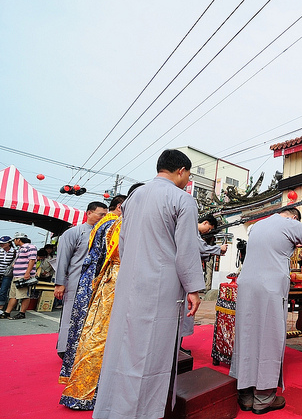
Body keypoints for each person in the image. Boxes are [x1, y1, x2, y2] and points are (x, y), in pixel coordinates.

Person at [93, 150, 205, 419]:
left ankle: (112, 408)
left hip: (130, 280)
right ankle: (144, 412)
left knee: (123, 346)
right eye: (188, 175)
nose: (187, 180)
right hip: (161, 285)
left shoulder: (134, 197)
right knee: (153, 351)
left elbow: (123, 241)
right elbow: (187, 249)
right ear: (181, 170)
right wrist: (193, 288)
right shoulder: (182, 200)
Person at [230, 207, 302, 415]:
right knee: (269, 336)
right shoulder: (291, 224)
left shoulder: (256, 226)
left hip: (246, 285)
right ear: (294, 217)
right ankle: (263, 397)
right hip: (269, 286)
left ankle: (245, 394)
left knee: (246, 335)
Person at [60, 185, 143, 411]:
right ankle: (97, 391)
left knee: (94, 333)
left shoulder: (104, 225)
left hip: (100, 284)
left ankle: (83, 389)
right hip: (118, 284)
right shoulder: (123, 226)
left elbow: (93, 262)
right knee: (108, 337)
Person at [59, 195, 126, 385]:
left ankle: (73, 369)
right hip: (103, 281)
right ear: (121, 207)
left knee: (83, 327)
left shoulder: (102, 223)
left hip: (90, 279)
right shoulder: (115, 224)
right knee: (96, 332)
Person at [54, 201, 108, 358]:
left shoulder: (106, 234)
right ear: (89, 213)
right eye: (101, 214)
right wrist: (60, 283)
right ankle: (64, 349)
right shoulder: (73, 233)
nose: (103, 218)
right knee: (69, 314)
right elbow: (62, 259)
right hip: (75, 281)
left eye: (105, 215)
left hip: (96, 282)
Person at [179, 213, 228, 355]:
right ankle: (176, 347)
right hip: (184, 275)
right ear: (205, 223)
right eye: (209, 228)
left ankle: (177, 346)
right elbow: (201, 248)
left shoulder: (189, 230)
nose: (208, 231)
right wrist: (219, 249)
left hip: (183, 274)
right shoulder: (190, 230)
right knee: (183, 311)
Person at [0, 233, 37, 320]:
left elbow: (32, 260)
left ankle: (22, 313)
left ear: (18, 240)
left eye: (14, 240)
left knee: (24, 295)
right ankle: (7, 312)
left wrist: (27, 273)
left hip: (23, 275)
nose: (14, 241)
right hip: (16, 275)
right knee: (13, 295)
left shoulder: (30, 247)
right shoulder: (20, 248)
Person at [0, 236, 17, 313]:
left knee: (4, 290)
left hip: (7, 274)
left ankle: (1, 306)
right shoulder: (0, 251)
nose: (2, 244)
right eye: (1, 243)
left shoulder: (14, 252)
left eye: (4, 243)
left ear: (9, 243)